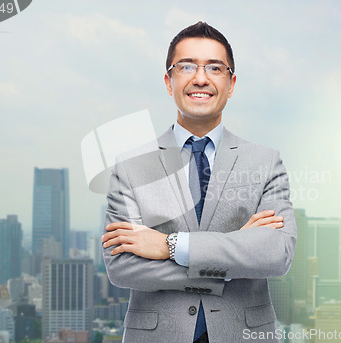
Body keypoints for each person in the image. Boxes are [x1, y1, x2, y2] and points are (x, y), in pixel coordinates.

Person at [101, 22, 297, 343]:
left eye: (215, 68)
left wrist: (170, 247)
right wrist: (233, 257)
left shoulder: (265, 162)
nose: (201, 78)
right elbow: (121, 266)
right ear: (169, 81)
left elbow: (277, 254)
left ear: (231, 84)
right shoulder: (131, 166)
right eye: (187, 66)